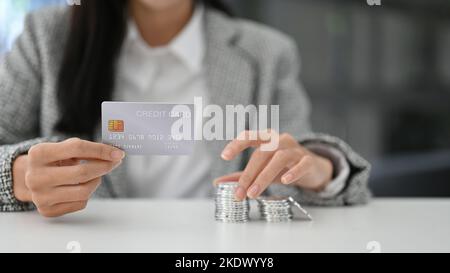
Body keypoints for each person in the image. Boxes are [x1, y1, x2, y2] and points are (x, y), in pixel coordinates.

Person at [0, 0, 370, 217]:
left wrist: (320, 169)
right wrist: (15, 176)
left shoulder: (268, 53)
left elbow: (298, 156)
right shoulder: (45, 35)